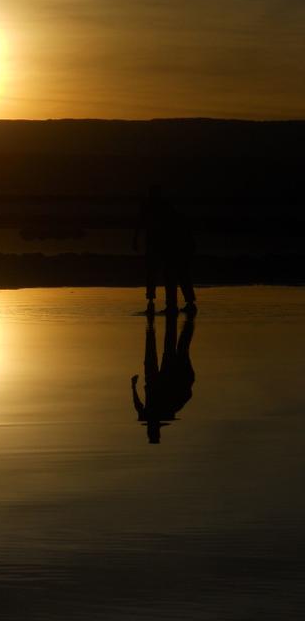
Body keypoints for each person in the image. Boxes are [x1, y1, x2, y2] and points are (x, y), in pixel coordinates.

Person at [131, 311, 195, 444]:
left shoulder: (160, 416)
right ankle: (175, 322)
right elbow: (138, 405)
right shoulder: (166, 415)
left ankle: (154, 323)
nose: (151, 429)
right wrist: (133, 387)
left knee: (164, 348)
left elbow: (138, 405)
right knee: (167, 348)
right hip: (162, 379)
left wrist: (133, 387)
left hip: (155, 380)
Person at [133, 186, 197, 315]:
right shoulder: (163, 207)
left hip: (163, 245)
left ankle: (164, 304)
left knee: (164, 274)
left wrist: (135, 240)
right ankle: (178, 304)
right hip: (166, 245)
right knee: (173, 274)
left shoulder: (151, 207)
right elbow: (140, 223)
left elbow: (140, 224)